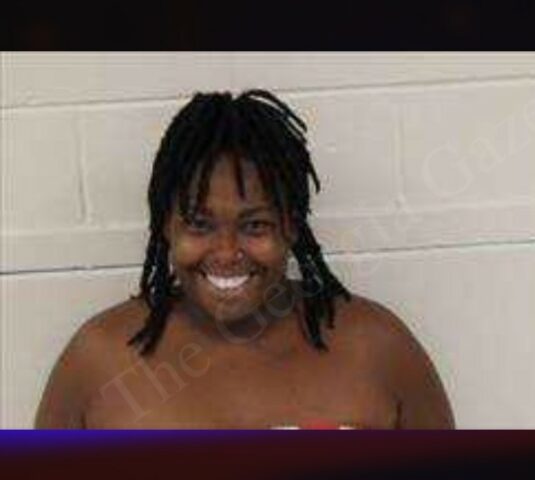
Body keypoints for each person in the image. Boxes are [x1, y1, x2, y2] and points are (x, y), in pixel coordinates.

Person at [34, 90, 454, 429]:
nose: (226, 252)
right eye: (200, 224)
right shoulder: (98, 360)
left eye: (255, 226)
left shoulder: (376, 348)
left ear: (291, 226)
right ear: (166, 226)